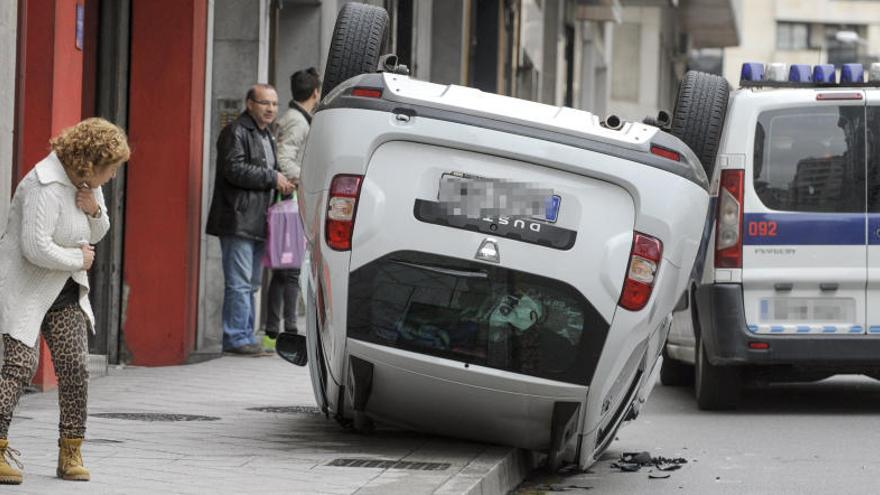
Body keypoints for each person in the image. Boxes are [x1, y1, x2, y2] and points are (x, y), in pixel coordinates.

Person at [0, 118, 130, 484]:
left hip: (65, 290)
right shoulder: (43, 184)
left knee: (75, 367)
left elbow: (98, 232)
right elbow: (34, 247)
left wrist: (93, 210)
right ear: (93, 160)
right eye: (112, 168)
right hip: (25, 287)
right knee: (19, 367)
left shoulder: (89, 183)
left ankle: (70, 451)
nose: (113, 176)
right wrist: (79, 259)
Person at [206, 84, 295, 355]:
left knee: (253, 283)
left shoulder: (266, 134)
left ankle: (246, 336)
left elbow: (269, 170)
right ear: (249, 103)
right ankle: (236, 338)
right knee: (240, 282)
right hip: (238, 219)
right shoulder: (235, 132)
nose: (270, 109)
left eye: (274, 104)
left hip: (259, 221)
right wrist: (272, 178)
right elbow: (233, 169)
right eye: (264, 103)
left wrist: (282, 179)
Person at [263, 68, 321, 344]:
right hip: (290, 201)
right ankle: (287, 330)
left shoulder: (293, 118)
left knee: (284, 269)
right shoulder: (298, 121)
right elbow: (284, 159)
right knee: (291, 268)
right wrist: (304, 180)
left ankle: (275, 330)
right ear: (315, 93)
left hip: (286, 201)